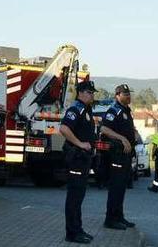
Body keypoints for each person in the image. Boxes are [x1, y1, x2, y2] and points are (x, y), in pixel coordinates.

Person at [59, 80, 98, 244]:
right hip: (76, 158)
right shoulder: (76, 109)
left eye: (92, 92)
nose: (92, 95)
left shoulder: (86, 109)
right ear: (81, 93)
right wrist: (80, 144)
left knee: (79, 195)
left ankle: (78, 229)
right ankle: (72, 233)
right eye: (89, 92)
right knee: (74, 197)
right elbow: (64, 128)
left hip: (83, 159)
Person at [100, 84, 139, 230]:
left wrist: (133, 133)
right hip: (117, 155)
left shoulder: (126, 111)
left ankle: (119, 216)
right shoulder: (114, 110)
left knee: (122, 187)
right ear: (117, 95)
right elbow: (104, 128)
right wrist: (122, 139)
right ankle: (110, 219)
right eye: (125, 94)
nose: (128, 96)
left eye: (129, 93)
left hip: (126, 155)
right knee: (115, 187)